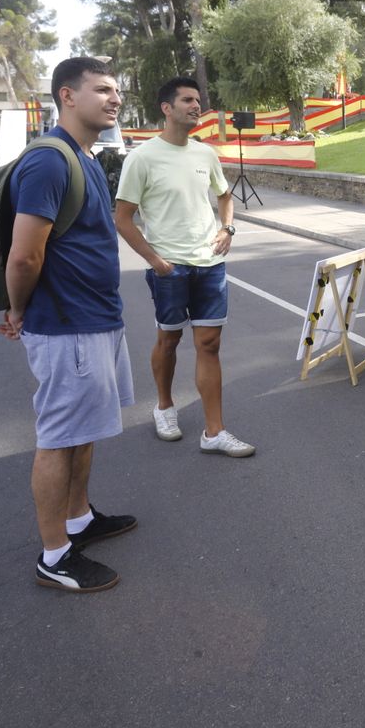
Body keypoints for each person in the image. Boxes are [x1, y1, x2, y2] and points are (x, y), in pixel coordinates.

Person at [0, 56, 137, 594]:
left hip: (95, 320)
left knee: (83, 429)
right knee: (59, 438)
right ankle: (54, 555)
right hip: (67, 325)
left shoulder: (85, 157)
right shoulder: (49, 161)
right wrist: (17, 310)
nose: (114, 98)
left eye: (116, 91)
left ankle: (79, 518)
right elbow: (24, 257)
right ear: (67, 96)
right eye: (102, 89)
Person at [114, 76, 253, 458]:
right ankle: (164, 407)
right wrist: (156, 261)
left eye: (197, 100)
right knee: (169, 340)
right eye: (188, 100)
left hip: (210, 265)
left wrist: (227, 228)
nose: (196, 106)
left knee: (209, 344)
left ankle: (214, 432)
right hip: (169, 268)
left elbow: (225, 196)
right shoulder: (142, 158)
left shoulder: (205, 154)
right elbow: (123, 218)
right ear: (167, 108)